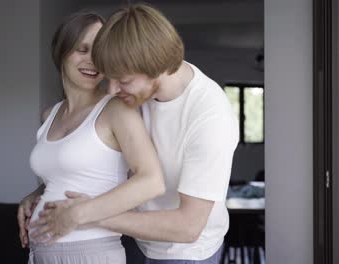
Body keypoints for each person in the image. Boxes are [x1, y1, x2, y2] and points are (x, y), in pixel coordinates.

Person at [27, 3, 239, 264]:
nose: (113, 90)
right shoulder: (136, 87)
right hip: (137, 240)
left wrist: (84, 214)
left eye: (123, 81)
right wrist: (39, 197)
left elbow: (188, 226)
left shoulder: (210, 115)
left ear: (154, 69)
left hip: (184, 253)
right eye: (110, 78)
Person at [18, 10, 166, 264]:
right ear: (61, 51)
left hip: (91, 253)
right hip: (40, 254)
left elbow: (151, 181)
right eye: (82, 50)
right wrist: (34, 195)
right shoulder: (49, 115)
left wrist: (79, 214)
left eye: (99, 53)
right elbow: (74, 174)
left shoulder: (117, 109)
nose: (93, 62)